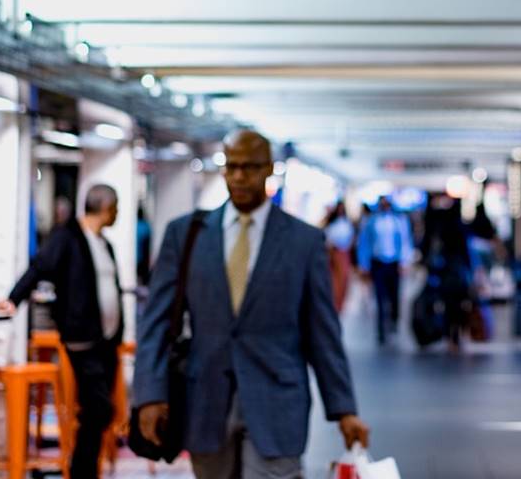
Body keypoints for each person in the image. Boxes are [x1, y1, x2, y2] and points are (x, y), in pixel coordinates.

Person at [134, 130, 368, 479]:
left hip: (278, 399)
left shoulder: (304, 242)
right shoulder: (186, 235)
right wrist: (149, 395)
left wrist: (343, 409)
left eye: (251, 167)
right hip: (206, 400)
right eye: (233, 167)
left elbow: (323, 334)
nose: (240, 177)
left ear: (269, 169)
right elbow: (156, 322)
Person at [0, 184, 124, 479]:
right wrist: (14, 298)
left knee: (98, 409)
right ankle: (82, 471)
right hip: (82, 337)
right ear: (106, 207)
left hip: (106, 339)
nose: (116, 214)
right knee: (99, 407)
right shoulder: (67, 237)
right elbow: (40, 267)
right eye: (115, 208)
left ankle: (85, 469)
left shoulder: (104, 243)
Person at [356, 197, 414, 345]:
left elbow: (406, 241)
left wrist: (404, 261)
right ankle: (381, 329)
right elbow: (365, 243)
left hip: (394, 263)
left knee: (394, 295)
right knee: (380, 296)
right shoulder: (372, 221)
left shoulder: (399, 221)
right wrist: (364, 264)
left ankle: (394, 321)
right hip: (378, 263)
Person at [421, 197, 473, 352]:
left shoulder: (440, 228)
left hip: (445, 273)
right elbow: (466, 253)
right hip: (457, 273)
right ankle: (456, 335)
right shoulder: (460, 228)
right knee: (458, 306)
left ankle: (449, 334)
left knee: (448, 305)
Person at [322, 202, 355, 313]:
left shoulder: (346, 224)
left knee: (343, 280)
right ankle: (333, 303)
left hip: (343, 253)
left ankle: (339, 305)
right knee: (333, 280)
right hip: (332, 253)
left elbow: (351, 240)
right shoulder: (332, 223)